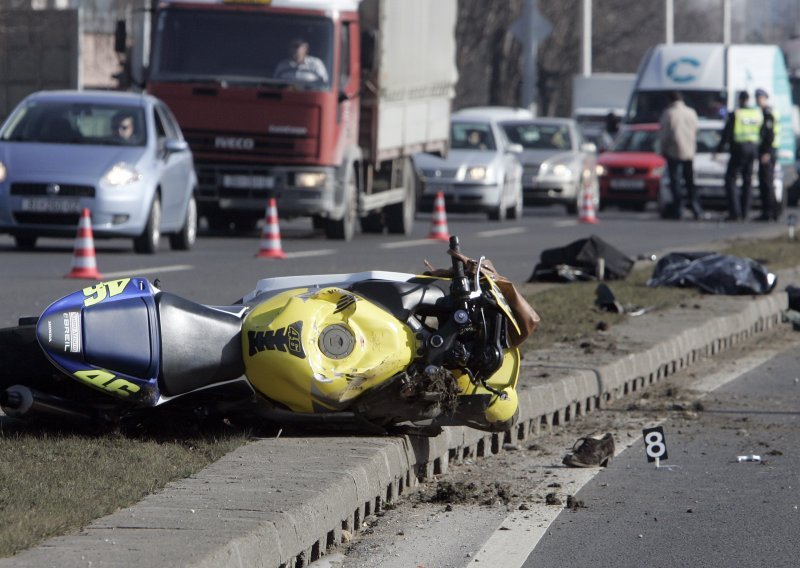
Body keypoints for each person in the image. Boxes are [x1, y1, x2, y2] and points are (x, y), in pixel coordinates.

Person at [714, 91, 763, 221]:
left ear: (740, 100)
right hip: (753, 148)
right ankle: (745, 211)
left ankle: (735, 212)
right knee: (747, 181)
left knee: (730, 179)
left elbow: (727, 133)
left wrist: (718, 150)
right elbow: (762, 132)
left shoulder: (737, 113)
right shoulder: (756, 113)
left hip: (739, 149)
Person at [659, 91, 704, 219]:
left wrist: (663, 150)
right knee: (690, 182)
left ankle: (679, 209)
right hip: (689, 151)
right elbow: (696, 130)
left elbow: (665, 135)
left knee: (676, 182)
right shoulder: (691, 113)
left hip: (674, 151)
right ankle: (696, 209)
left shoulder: (669, 113)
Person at [755, 88, 780, 221]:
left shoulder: (768, 113)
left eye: (759, 98)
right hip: (767, 151)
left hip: (769, 151)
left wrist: (766, 152)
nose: (757, 100)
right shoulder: (763, 113)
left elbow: (769, 135)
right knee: (765, 183)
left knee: (767, 183)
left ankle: (770, 212)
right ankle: (770, 211)